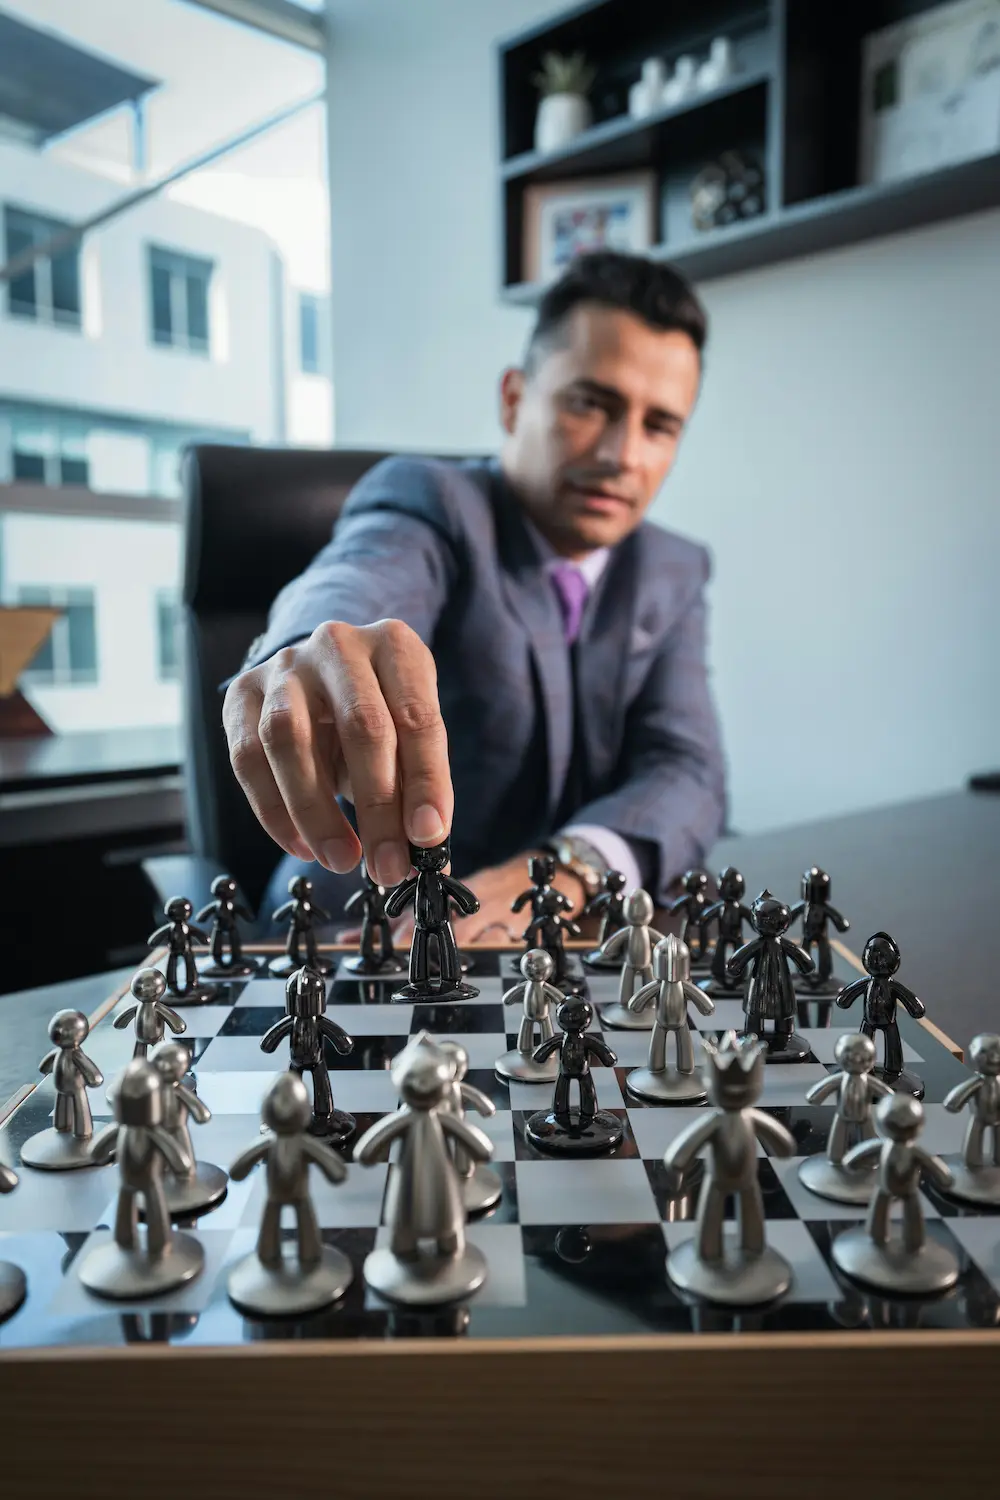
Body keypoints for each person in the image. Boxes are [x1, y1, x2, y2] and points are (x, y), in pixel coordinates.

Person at [222, 250, 727, 941]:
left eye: (658, 425)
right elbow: (357, 580)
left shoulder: (674, 566)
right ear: (514, 399)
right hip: (357, 936)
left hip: (559, 941)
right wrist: (305, 652)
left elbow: (689, 770)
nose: (623, 454)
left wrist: (565, 869)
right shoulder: (433, 503)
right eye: (589, 403)